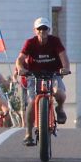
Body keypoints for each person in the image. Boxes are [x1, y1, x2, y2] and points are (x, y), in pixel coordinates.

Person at [15, 18, 72, 146]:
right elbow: (20, 59)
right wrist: (21, 69)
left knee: (59, 93)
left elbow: (64, 57)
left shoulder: (55, 41)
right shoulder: (30, 43)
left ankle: (60, 108)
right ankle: (29, 133)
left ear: (49, 30)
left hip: (53, 73)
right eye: (39, 29)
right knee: (32, 101)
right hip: (33, 75)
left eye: (44, 28)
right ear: (35, 31)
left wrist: (66, 68)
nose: (42, 31)